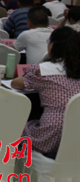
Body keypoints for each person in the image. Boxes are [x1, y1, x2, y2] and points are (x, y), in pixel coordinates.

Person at [12, 27, 80, 158]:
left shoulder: (43, 70)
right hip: (76, 136)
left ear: (52, 46)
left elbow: (16, 83)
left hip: (51, 135)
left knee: (19, 126)